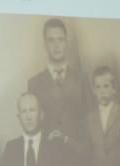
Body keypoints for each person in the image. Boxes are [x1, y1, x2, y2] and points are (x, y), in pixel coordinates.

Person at [28, 18, 93, 146]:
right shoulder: (34, 83)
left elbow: (92, 121)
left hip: (77, 155)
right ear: (44, 44)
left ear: (66, 42)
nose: (56, 46)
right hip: (48, 157)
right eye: (51, 40)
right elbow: (32, 126)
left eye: (60, 39)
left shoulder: (82, 79)